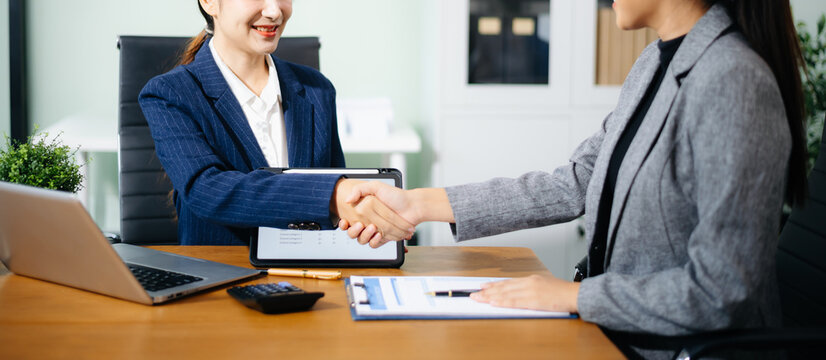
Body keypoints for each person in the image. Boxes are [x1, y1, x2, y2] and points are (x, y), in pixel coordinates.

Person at [342, 0, 807, 356]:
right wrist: (418, 203)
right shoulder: (653, 63)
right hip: (617, 336)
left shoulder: (733, 80)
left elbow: (720, 289)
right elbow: (577, 180)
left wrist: (574, 294)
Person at [139, 0, 414, 245]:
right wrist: (331, 196)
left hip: (310, 276)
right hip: (220, 278)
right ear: (210, 2)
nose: (274, 11)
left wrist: (361, 222)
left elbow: (339, 200)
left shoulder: (317, 90)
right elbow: (207, 190)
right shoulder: (169, 94)